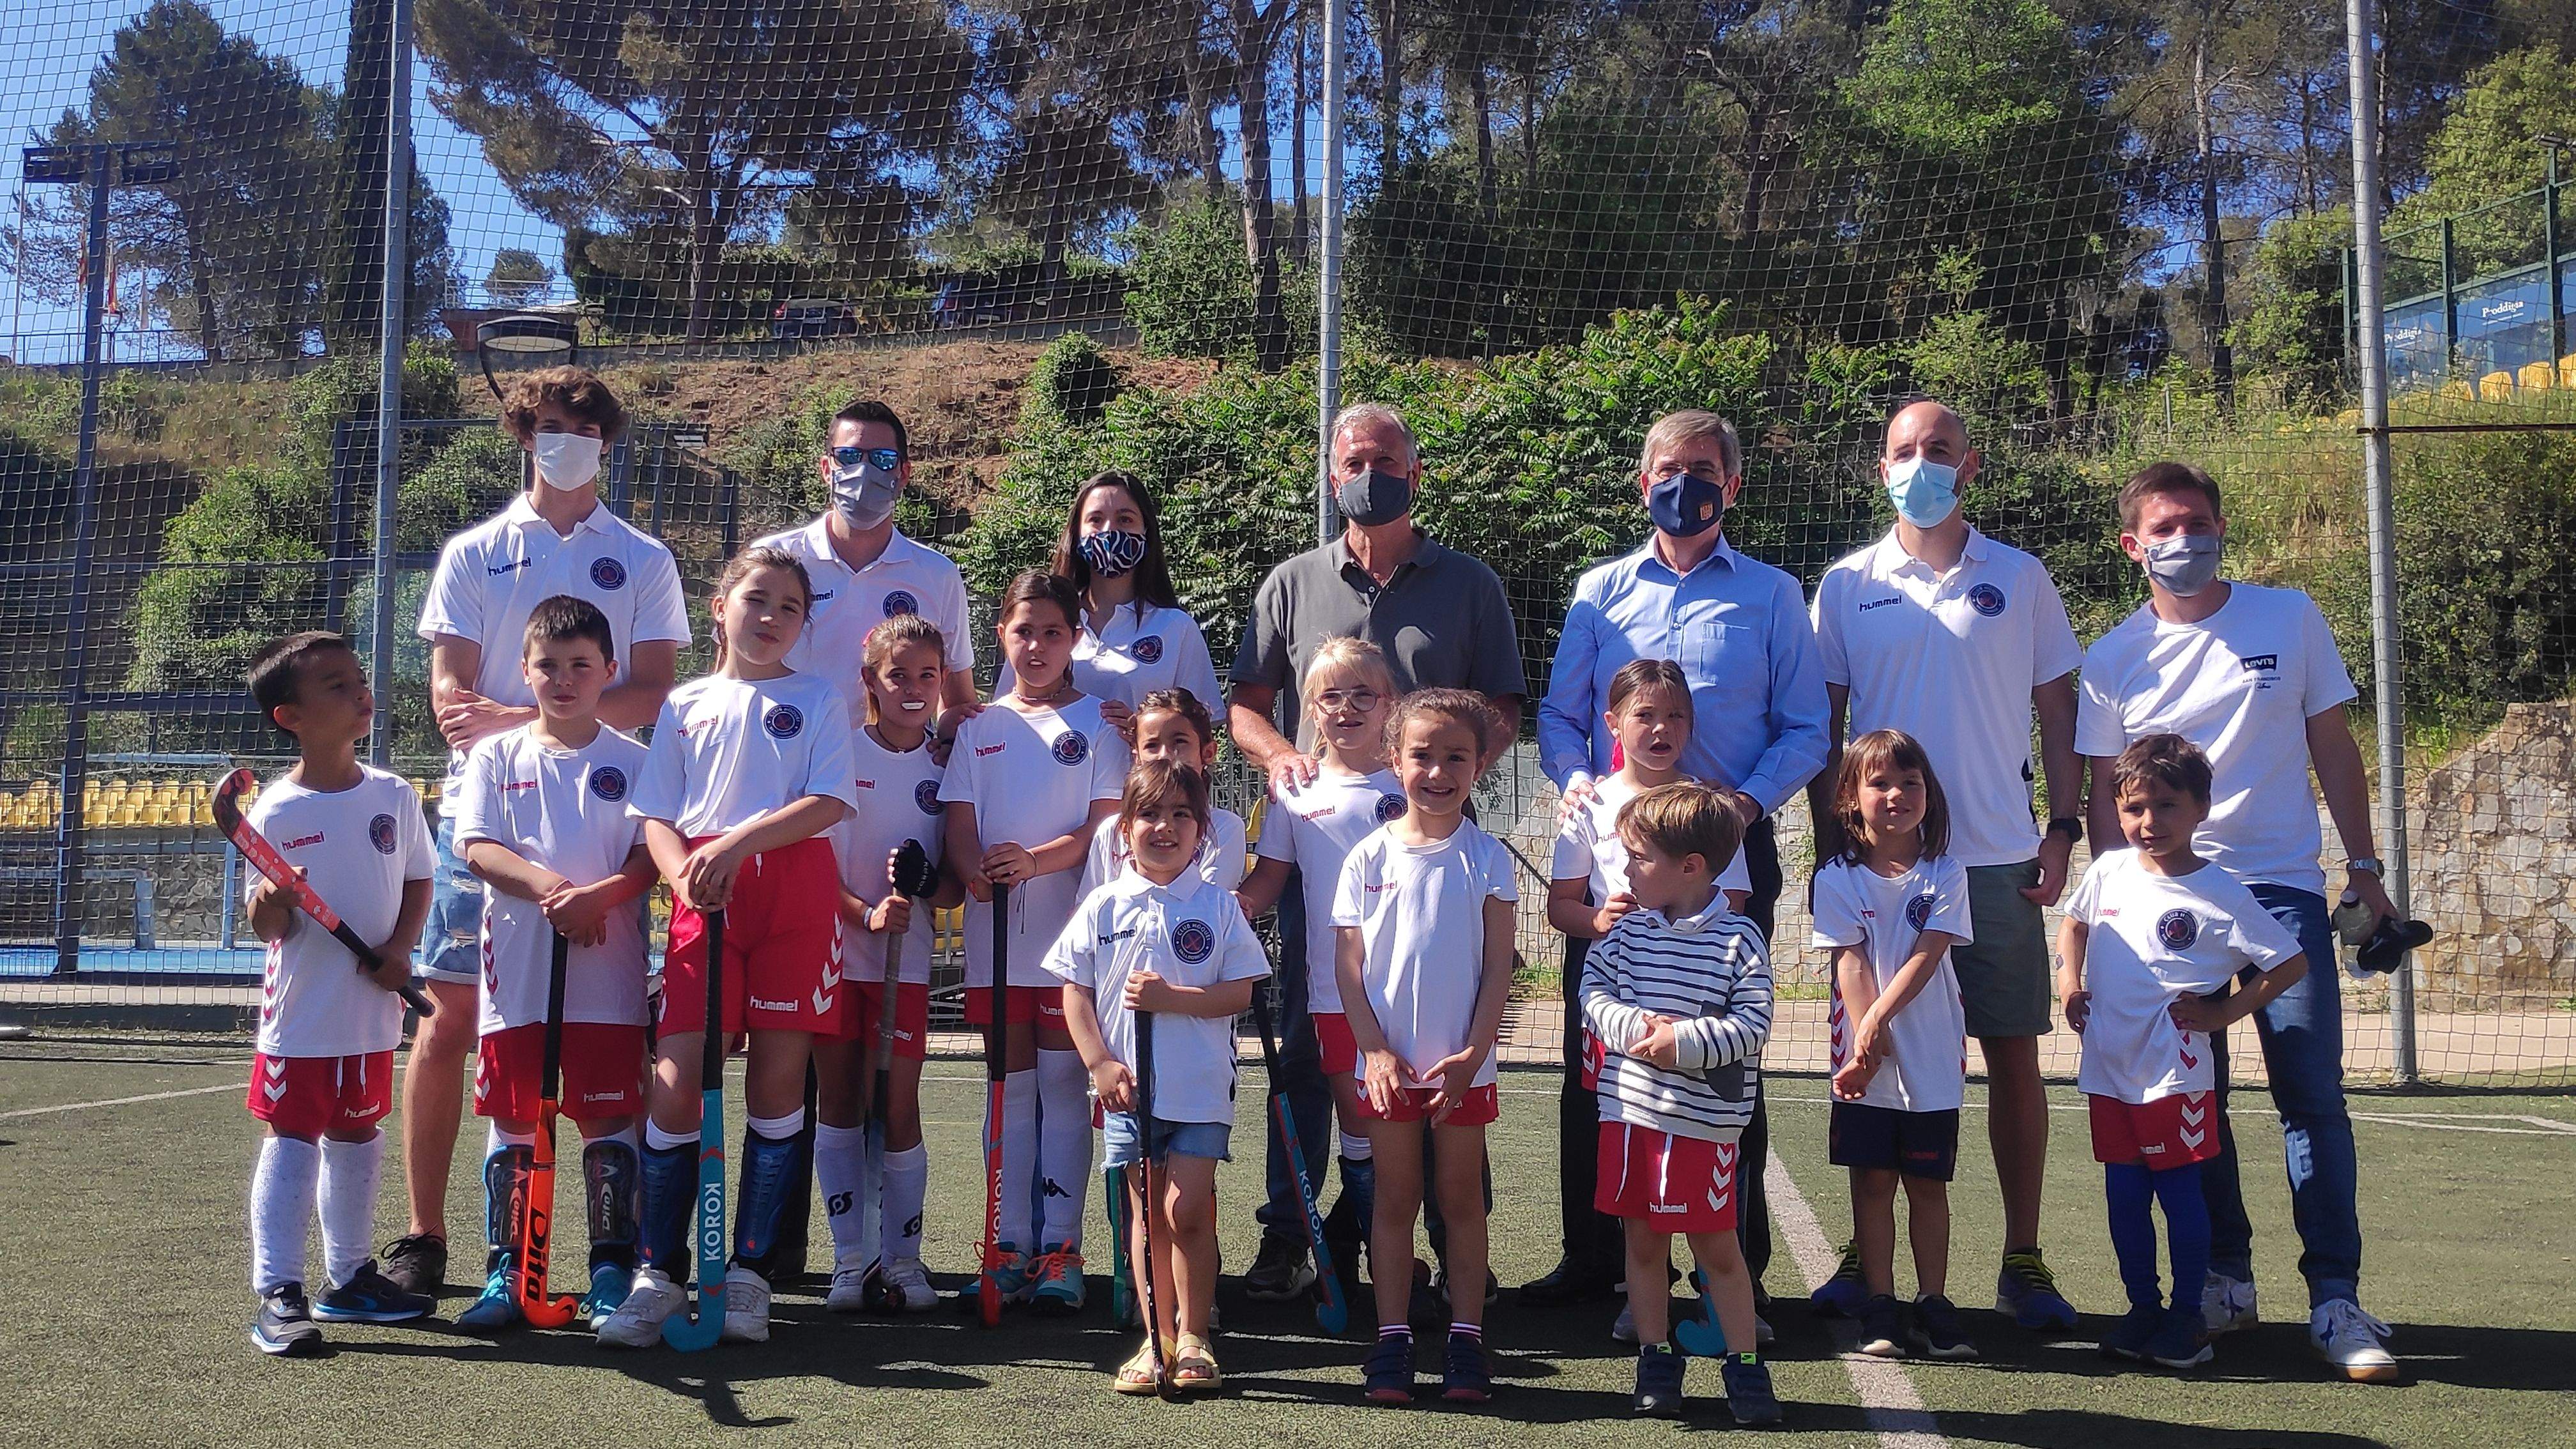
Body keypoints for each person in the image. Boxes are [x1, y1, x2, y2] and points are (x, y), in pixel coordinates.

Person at [2074, 461, 2399, 1381]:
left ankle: (2336, 1298)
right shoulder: (2109, 657)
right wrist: (2110, 914)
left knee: (2311, 1099)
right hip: (2164, 918)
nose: (2187, 539)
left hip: (2281, 892)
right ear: (2133, 545)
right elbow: (2107, 800)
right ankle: (2225, 1280)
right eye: (2165, 527)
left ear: (2222, 526)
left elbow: (2333, 746)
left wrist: (2366, 869)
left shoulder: (2288, 616)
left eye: (2200, 521)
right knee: (2195, 1102)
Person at [1229, 401, 1525, 1302]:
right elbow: (1246, 704)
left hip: (1430, 875)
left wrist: (1438, 778)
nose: (1370, 472)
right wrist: (1282, 757)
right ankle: (1295, 1237)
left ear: (1416, 470)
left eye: (1387, 458)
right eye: (1354, 460)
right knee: (1308, 1054)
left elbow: (1504, 708)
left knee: (1427, 1056)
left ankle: (1430, 1249)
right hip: (1317, 879)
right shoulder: (1289, 582)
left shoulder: (1469, 583)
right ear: (1332, 475)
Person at [402, 365, 687, 1300]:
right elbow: (450, 703)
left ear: (608, 440)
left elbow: (652, 691)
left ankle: (615, 1261)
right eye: (551, 426)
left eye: (586, 427)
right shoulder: (474, 550)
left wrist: (540, 712)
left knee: (608, 1055)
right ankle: (429, 1238)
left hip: (602, 815)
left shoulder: (643, 556)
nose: (568, 439)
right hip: (494, 811)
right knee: (454, 1026)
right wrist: (519, 725)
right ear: (524, 436)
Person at [1533, 408, 1827, 1308]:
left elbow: (1809, 729)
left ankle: (1732, 1267)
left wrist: (1740, 806)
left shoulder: (1774, 594)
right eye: (1669, 467)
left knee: (1721, 1057)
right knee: (1602, 1057)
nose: (1685, 482)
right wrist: (1580, 783)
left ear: (1731, 486)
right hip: (1619, 860)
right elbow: (1558, 715)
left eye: (1704, 469)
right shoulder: (1599, 589)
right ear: (1643, 479)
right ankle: (1597, 1264)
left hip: (1725, 864)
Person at [1806, 399, 2085, 1332]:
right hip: (1884, 876)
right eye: (1902, 451)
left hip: (2001, 859)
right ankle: (1865, 1256)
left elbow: (2059, 713)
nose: (1919, 463)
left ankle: (2024, 1258)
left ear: (1970, 468)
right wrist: (1835, 850)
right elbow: (1826, 730)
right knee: (1871, 1052)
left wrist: (2063, 827)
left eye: (1938, 450)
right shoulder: (1845, 584)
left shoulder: (2021, 576)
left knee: (2012, 1059)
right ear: (1878, 467)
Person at [597, 546, 857, 1347]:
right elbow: (656, 815)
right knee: (676, 1084)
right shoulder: (683, 702)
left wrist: (738, 846)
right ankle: (656, 1273)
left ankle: (747, 1274)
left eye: (790, 606)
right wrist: (681, 877)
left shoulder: (817, 698)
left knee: (778, 1090)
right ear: (721, 606)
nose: (772, 616)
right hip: (702, 898)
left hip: (791, 895)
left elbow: (827, 802)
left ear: (804, 623)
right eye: (758, 599)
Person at [2060, 734, 2309, 1370]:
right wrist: (2071, 981)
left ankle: (2188, 1318)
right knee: (2123, 1196)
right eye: (2135, 808)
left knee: (2179, 1195)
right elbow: (2074, 922)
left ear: (2201, 807)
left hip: (2175, 1072)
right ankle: (2142, 1309)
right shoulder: (2108, 870)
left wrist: (2225, 1011)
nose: (2149, 823)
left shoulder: (2220, 891)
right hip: (2110, 1069)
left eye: (2166, 807)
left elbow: (2289, 961)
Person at [449, 597, 659, 1334]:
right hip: (518, 971)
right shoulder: (494, 756)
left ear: (609, 671)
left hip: (610, 976)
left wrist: (599, 899)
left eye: (581, 666)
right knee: (514, 1120)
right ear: (524, 672)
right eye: (548, 666)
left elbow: (648, 858)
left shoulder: (634, 759)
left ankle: (612, 1270)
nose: (564, 680)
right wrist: (551, 891)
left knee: (607, 1115)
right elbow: (476, 848)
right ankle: (510, 1270)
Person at [240, 631, 436, 1354]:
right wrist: (274, 895)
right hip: (303, 1017)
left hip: (372, 1010)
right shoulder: (277, 811)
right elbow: (265, 926)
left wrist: (398, 949)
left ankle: (348, 1278)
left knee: (358, 1134)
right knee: (293, 1139)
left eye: (358, 677)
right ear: (290, 716)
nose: (360, 692)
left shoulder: (393, 794)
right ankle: (279, 1292)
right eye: (335, 686)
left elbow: (419, 877)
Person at [942, 570, 1133, 1314]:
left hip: (1071, 949)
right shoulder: (980, 727)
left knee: (1062, 1090)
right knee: (1009, 1093)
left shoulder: (1097, 725)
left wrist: (1033, 860)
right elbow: (960, 826)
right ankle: (1008, 1244)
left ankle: (1062, 1245)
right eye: (1024, 631)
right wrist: (975, 872)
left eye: (1054, 632)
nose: (1038, 645)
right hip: (995, 944)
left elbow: (1102, 828)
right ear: (1002, 637)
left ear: (1074, 640)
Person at [1050, 760, 1270, 1394]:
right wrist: (1100, 1063)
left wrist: (1176, 998)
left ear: (1202, 831)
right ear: (1125, 829)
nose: (1165, 827)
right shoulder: (1103, 903)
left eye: (1181, 815)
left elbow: (1240, 992)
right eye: (1150, 813)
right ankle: (1158, 1337)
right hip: (1130, 1095)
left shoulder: (1216, 907)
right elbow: (1076, 992)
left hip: (1199, 1090)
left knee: (1188, 1211)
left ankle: (1196, 1335)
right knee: (1147, 1220)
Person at [1545, 658, 1749, 1343]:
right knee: (1612, 1125)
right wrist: (1602, 922)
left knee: (1710, 1137)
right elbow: (1563, 907)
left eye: (1675, 717)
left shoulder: (1711, 808)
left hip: (1697, 1006)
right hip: (1621, 1002)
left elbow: (1735, 903)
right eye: (1645, 715)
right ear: (1613, 724)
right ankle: (1629, 1284)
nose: (1661, 729)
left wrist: (1680, 925)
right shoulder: (1589, 805)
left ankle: (1724, 1288)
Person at [1334, 689, 1518, 1406]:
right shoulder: (1366, 857)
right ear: (1394, 759)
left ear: (1479, 767)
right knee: (1394, 1201)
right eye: (1422, 755)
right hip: (1388, 1071)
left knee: (1461, 1201)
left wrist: (1474, 1055)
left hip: (1462, 1070)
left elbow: (1500, 967)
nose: (1438, 772)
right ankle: (1393, 1341)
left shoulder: (1488, 857)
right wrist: (1375, 1053)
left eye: (1456, 758)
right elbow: (1349, 971)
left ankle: (1467, 1341)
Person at [1579, 782, 1780, 1425]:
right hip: (1630, 1120)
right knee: (1642, 1248)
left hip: (1703, 1129)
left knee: (1718, 1251)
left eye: (1638, 857)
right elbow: (1593, 996)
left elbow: (1753, 1025)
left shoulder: (1741, 940)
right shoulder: (1622, 934)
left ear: (1690, 866)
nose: (1626, 868)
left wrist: (1682, 1043)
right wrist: (1636, 1032)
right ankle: (1655, 1359)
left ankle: (1745, 1368)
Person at [1236, 638, 1404, 1301]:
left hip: (1420, 998)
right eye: (1331, 696)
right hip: (1337, 998)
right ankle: (1371, 1264)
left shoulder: (1415, 781)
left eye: (1365, 694)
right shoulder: (1296, 794)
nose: (1348, 708)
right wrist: (1219, 909)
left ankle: (1435, 1260)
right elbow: (1268, 881)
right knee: (1359, 1134)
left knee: (1417, 1135)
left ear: (1389, 704)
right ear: (1309, 709)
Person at [812, 615, 964, 1315]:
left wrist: (929, 884)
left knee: (898, 1107)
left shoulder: (949, 766)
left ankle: (903, 1260)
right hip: (839, 961)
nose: (912, 688)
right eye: (897, 675)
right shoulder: (839, 755)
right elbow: (818, 869)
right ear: (870, 679)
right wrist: (864, 913)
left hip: (906, 967)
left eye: (927, 675)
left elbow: (959, 882)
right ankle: (853, 1259)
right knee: (841, 1105)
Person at [1813, 731, 1975, 1361]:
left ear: (1929, 795)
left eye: (1910, 782)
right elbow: (1850, 963)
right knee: (1874, 1182)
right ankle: (1880, 1303)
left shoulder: (1947, 875)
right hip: (1864, 1063)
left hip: (1929, 1059)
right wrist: (1864, 1046)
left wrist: (1875, 1024)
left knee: (1928, 1186)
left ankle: (1933, 1302)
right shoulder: (1837, 879)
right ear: (1851, 798)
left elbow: (1929, 956)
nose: (1897, 795)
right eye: (1879, 782)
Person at [752, 399, 979, 724]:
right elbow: (732, 672)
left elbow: (957, 699)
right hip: (784, 762)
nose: (863, 472)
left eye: (883, 460)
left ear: (903, 473)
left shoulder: (937, 574)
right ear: (826, 468)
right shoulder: (772, 562)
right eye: (849, 457)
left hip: (892, 769)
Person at [1008, 471, 1225, 726]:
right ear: (1077, 534)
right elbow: (1010, 709)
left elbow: (1200, 733)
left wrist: (1143, 732)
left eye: (1125, 519)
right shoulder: (1037, 622)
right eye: (1096, 520)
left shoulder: (1177, 628)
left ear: (1146, 532)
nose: (1110, 531)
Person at [1077, 688, 1246, 895]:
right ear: (1137, 757)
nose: (1165, 755)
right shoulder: (1112, 830)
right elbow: (1091, 905)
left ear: (1208, 752)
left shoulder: (1224, 828)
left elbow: (1207, 907)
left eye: (1179, 742)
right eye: (1152, 746)